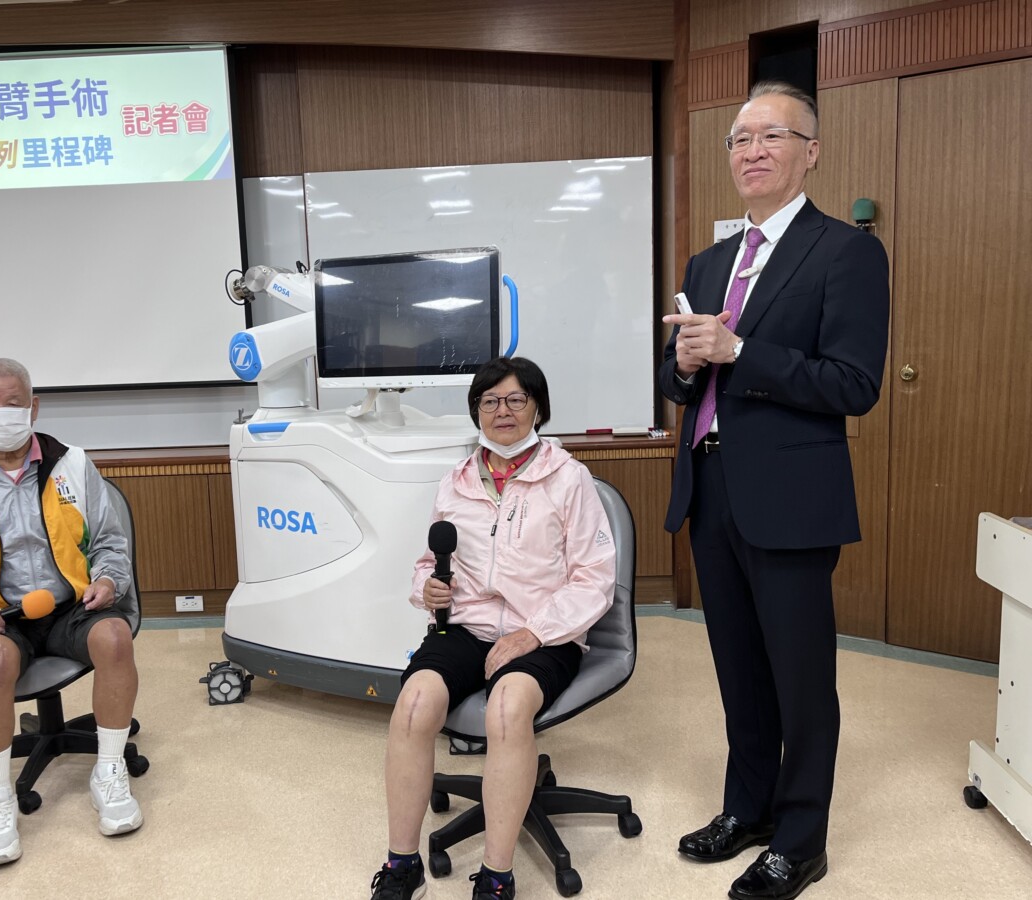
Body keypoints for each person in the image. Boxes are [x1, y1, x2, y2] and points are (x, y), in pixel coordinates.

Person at [659, 81, 889, 900]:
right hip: (711, 486)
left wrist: (739, 351)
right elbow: (679, 381)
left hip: (791, 495)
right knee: (738, 669)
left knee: (800, 679)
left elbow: (854, 384)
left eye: (771, 136)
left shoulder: (845, 252)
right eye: (739, 139)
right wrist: (684, 363)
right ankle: (747, 808)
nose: (751, 151)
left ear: (810, 152)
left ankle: (800, 840)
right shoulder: (709, 262)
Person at [369, 356, 616, 900]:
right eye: (489, 401)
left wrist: (533, 634)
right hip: (467, 626)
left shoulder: (568, 478)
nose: (502, 411)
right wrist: (428, 589)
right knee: (413, 705)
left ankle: (497, 876)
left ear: (537, 409)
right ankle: (402, 865)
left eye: (516, 399)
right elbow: (428, 562)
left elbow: (594, 579)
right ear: (476, 412)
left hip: (544, 631)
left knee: (506, 708)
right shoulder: (456, 481)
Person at [0, 358, 143, 868]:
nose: (3, 414)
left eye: (14, 403)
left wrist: (109, 580)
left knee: (114, 638)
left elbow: (110, 543)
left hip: (70, 607)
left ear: (34, 407)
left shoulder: (72, 465)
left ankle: (109, 772)